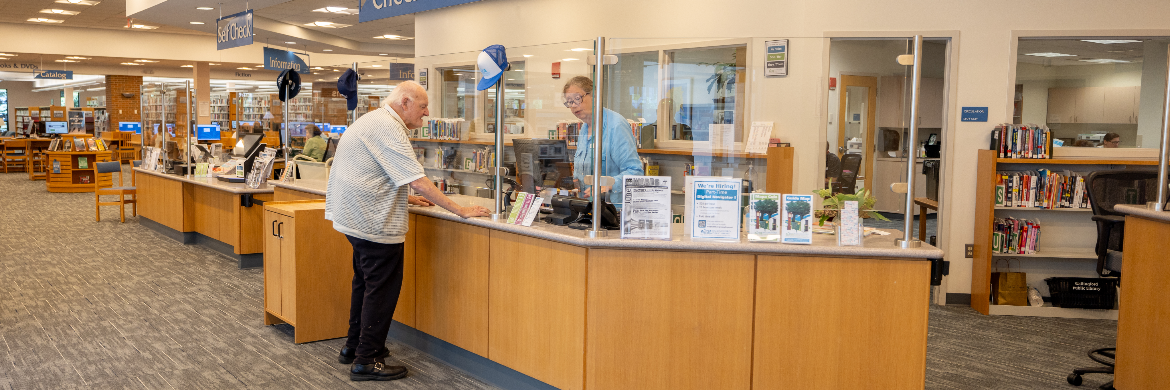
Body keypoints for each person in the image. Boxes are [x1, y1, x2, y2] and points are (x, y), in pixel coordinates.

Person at [325, 81, 490, 382]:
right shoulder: (389, 127)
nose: (427, 113)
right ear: (404, 102)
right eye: (423, 106)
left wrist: (407, 198)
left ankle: (354, 347)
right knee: (381, 289)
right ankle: (367, 360)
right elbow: (419, 180)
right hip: (373, 221)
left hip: (353, 217)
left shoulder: (372, 119)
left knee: (364, 283)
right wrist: (460, 209)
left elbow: (375, 171)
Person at [563, 76, 644, 205]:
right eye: (569, 102)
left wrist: (607, 185)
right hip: (587, 207)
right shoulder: (584, 127)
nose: (573, 106)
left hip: (612, 211)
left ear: (594, 96)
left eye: (577, 99)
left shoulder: (616, 126)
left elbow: (635, 172)